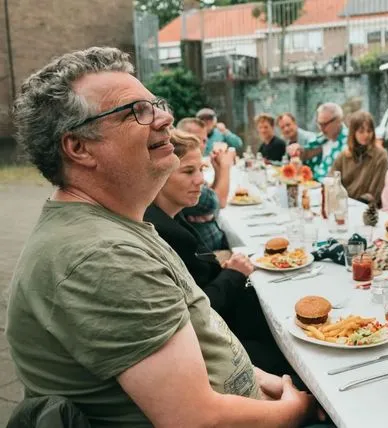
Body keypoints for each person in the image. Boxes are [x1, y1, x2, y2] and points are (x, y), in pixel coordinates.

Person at [6, 47, 319, 427]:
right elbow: (195, 419)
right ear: (78, 148)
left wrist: (275, 386)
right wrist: (297, 410)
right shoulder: (102, 256)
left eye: (156, 104)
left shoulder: (113, 226)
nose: (165, 117)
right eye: (137, 111)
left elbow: (209, 345)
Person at [144, 129, 295, 377]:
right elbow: (196, 313)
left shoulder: (172, 216)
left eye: (201, 170)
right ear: (159, 174)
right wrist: (233, 275)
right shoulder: (161, 231)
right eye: (189, 171)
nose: (201, 180)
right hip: (217, 350)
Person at [176, 117, 232, 251]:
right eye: (202, 139)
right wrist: (226, 167)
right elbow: (219, 202)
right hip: (207, 252)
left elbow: (210, 195)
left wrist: (218, 170)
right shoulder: (178, 164)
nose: (205, 144)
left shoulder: (187, 166)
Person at [330, 111, 388, 205]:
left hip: (368, 209)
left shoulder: (380, 156)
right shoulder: (343, 156)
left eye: (369, 131)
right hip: (343, 204)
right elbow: (332, 181)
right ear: (353, 133)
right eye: (361, 131)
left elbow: (375, 193)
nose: (366, 135)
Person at [287, 103, 348, 181]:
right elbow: (307, 153)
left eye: (325, 124)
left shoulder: (349, 142)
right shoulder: (321, 139)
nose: (321, 128)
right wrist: (299, 151)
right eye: (319, 124)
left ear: (338, 120)